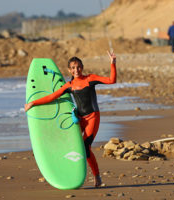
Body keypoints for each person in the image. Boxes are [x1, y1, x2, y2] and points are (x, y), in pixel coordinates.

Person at [24, 51, 117, 187]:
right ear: (69, 70)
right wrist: (33, 103)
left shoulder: (90, 79)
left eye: (78, 67)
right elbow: (53, 96)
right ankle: (66, 169)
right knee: (69, 141)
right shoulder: (70, 85)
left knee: (85, 147)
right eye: (73, 68)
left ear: (82, 67)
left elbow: (111, 80)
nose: (76, 70)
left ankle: (97, 177)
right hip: (79, 118)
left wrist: (112, 63)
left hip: (92, 117)